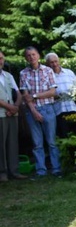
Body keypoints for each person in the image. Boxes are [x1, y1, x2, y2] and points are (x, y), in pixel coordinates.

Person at [19, 46, 62, 178]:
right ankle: (41, 171)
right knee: (37, 143)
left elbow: (52, 91)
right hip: (31, 112)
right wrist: (33, 111)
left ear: (38, 56)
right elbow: (26, 96)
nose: (31, 57)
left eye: (33, 54)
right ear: (26, 58)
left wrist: (36, 96)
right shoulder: (23, 73)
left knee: (51, 141)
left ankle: (56, 169)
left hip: (48, 108)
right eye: (28, 55)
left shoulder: (48, 71)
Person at [0, 51, 27, 181]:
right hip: (1, 114)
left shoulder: (8, 75)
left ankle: (14, 171)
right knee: (1, 145)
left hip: (12, 114)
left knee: (13, 143)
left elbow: (18, 92)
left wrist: (15, 107)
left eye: (1, 58)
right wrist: (11, 108)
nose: (0, 61)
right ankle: (2, 173)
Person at [45, 52, 76, 139]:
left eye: (56, 61)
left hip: (74, 108)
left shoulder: (69, 73)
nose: (54, 64)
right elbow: (45, 95)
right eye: (51, 62)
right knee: (64, 136)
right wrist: (55, 96)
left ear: (59, 61)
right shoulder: (46, 76)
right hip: (59, 111)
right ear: (47, 64)